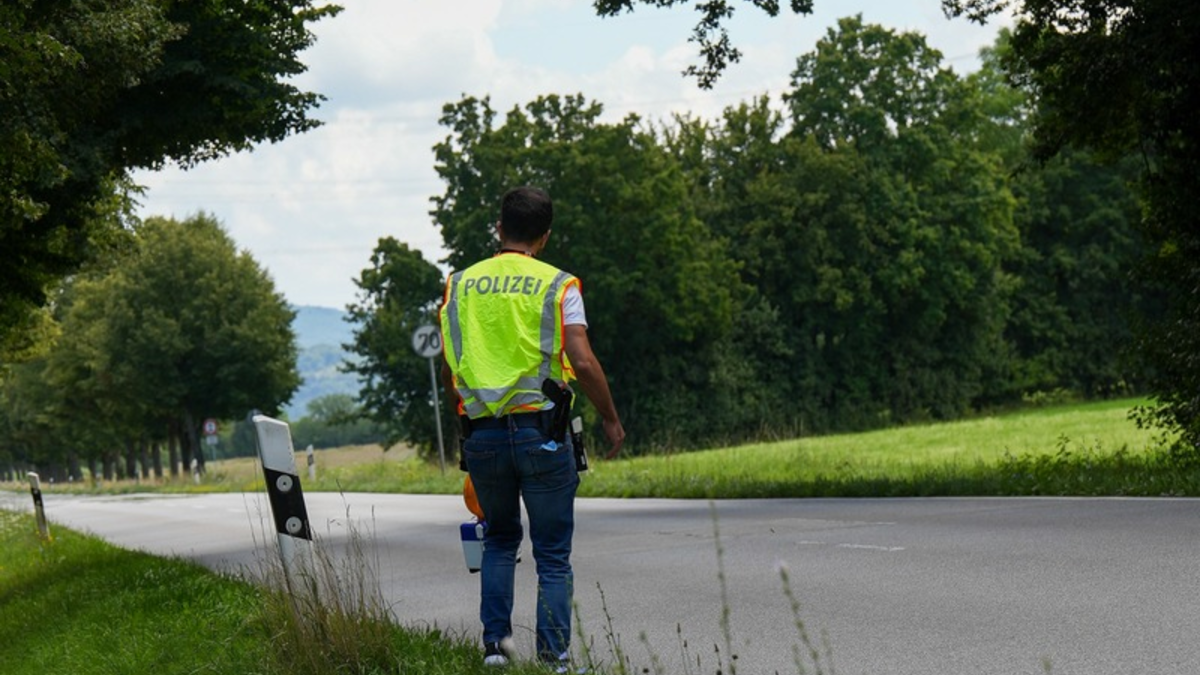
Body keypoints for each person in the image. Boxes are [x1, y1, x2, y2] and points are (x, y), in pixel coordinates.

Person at [440, 185, 625, 670]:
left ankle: (496, 653)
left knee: (499, 539)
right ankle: (554, 659)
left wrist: (468, 420)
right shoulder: (559, 285)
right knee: (552, 554)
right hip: (543, 432)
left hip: (482, 434)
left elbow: (449, 369)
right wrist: (609, 417)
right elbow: (581, 361)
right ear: (543, 236)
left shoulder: (459, 285)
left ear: (498, 228)